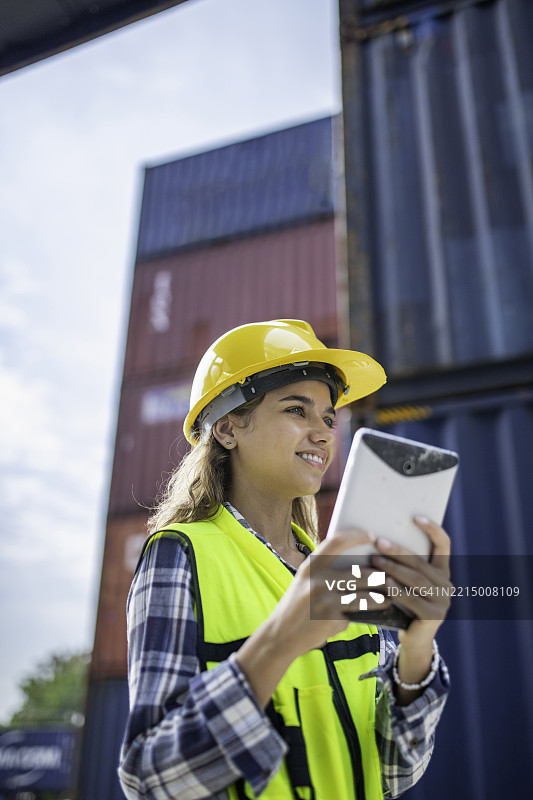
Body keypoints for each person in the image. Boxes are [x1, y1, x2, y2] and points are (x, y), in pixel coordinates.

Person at [118, 319, 452, 800]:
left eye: (329, 419)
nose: (323, 434)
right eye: (298, 410)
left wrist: (417, 650)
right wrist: (278, 643)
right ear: (229, 428)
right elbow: (150, 778)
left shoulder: (344, 573)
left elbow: (394, 774)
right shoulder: (179, 554)